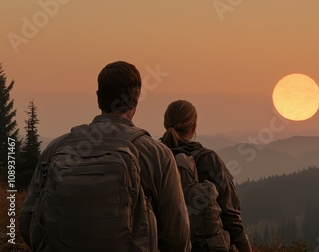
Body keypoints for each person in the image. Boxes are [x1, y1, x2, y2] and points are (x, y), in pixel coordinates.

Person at [20, 61, 191, 251]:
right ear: (136, 95)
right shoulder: (157, 155)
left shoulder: (55, 150)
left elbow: (27, 220)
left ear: (98, 97)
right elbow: (177, 238)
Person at [160, 100, 252, 252]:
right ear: (194, 126)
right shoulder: (208, 160)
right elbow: (231, 217)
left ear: (165, 124)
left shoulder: (153, 156)